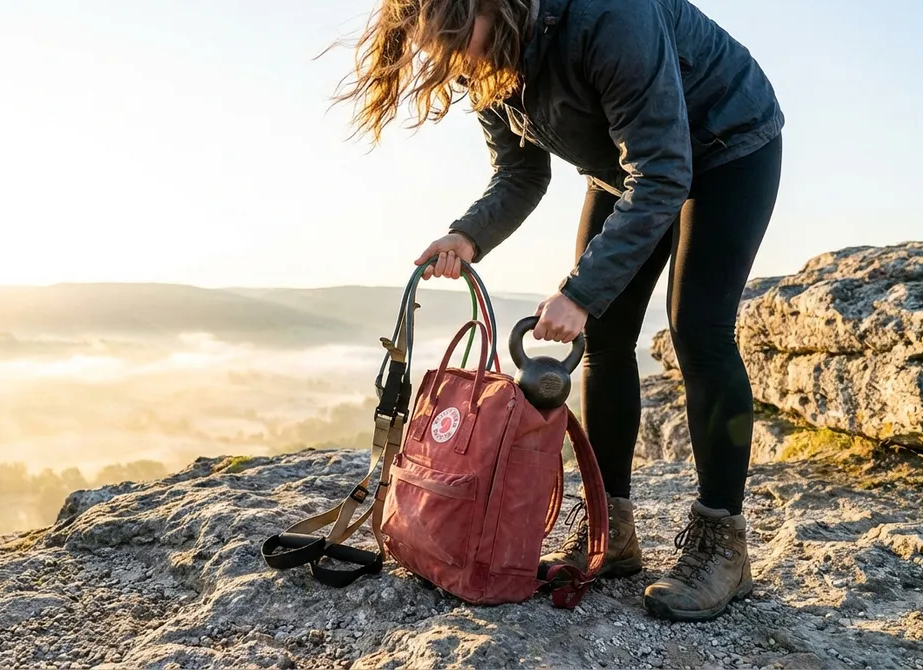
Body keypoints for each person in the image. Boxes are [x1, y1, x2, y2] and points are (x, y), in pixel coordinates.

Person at [333, 0, 784, 621]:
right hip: (626, 169)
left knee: (698, 331)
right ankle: (613, 531)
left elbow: (663, 170)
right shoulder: (487, 56)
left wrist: (579, 291)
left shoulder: (608, 17)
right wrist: (467, 237)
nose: (457, 60)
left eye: (459, 40)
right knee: (605, 341)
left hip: (727, 143)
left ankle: (721, 546)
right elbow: (520, 173)